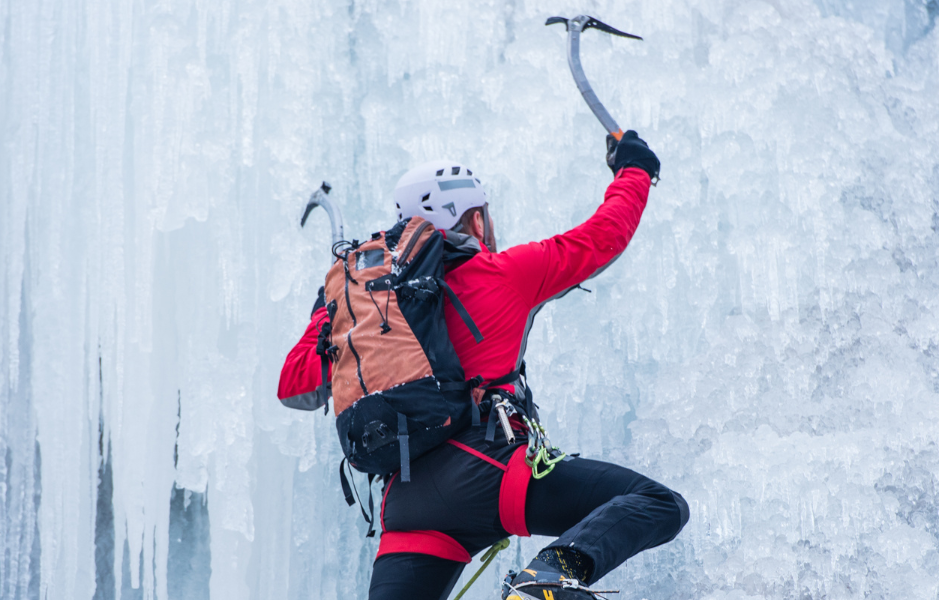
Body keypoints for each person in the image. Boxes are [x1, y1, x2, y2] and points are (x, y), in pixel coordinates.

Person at [278, 132, 688, 600]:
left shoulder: (366, 320)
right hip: (491, 474)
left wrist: (330, 308)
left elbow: (294, 387)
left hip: (409, 509)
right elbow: (603, 236)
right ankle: (548, 577)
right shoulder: (506, 273)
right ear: (474, 218)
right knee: (657, 503)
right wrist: (633, 169)